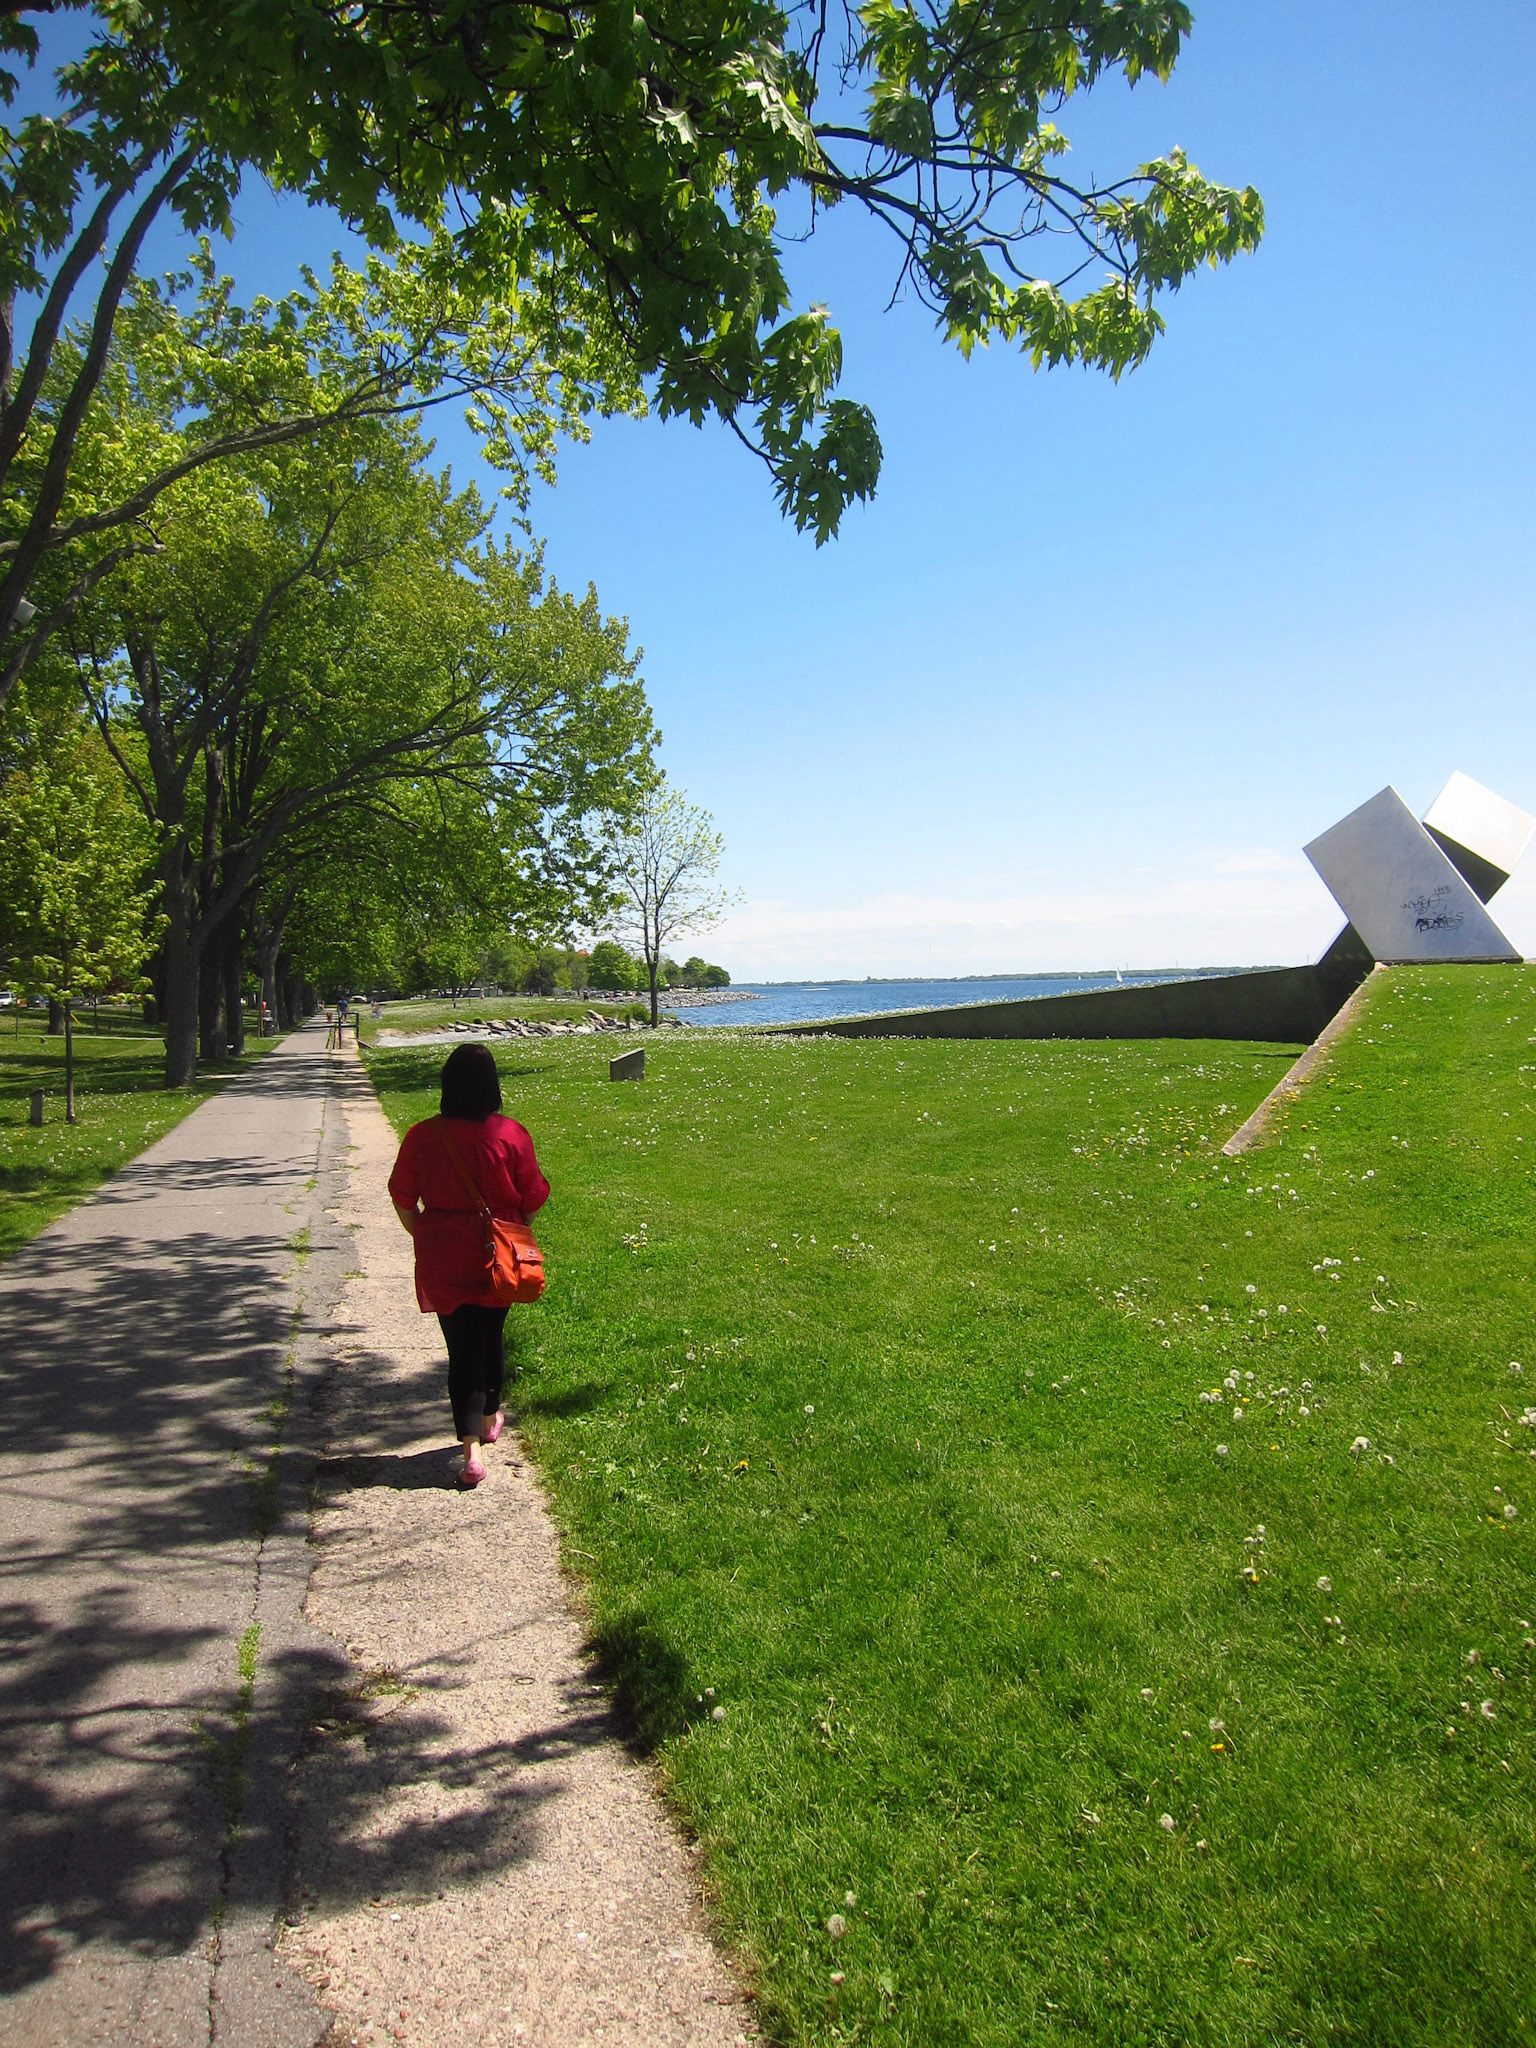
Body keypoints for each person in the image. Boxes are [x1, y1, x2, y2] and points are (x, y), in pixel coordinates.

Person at [387, 1043, 550, 1488]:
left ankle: (471, 1451)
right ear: (492, 1087)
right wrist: (512, 1228)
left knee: (460, 1348)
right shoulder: (510, 1134)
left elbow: (402, 1196)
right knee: (491, 1335)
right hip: (499, 1252)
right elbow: (533, 1196)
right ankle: (490, 1413)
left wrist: (421, 1230)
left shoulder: (423, 1136)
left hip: (442, 1252)